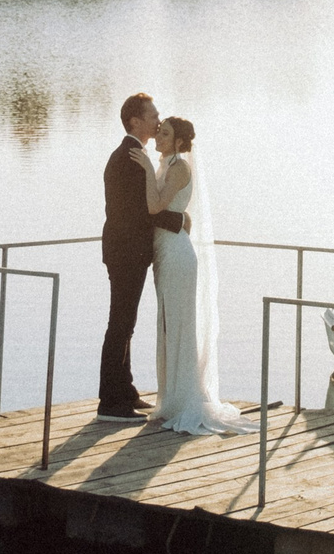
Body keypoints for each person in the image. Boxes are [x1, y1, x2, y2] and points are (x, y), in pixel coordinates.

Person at [146, 116, 247, 435]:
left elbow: (156, 206)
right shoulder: (166, 164)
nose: (157, 137)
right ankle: (170, 397)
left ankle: (183, 399)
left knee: (178, 326)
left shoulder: (178, 167)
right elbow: (172, 210)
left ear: (179, 142)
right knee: (167, 325)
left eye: (164, 134)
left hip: (176, 255)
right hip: (164, 252)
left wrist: (147, 171)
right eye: (159, 131)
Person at [96, 92, 187, 420]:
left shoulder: (133, 154)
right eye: (153, 116)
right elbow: (140, 210)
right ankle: (110, 401)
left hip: (125, 248)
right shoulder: (132, 157)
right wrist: (178, 220)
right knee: (120, 323)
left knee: (126, 322)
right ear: (135, 121)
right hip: (126, 250)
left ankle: (125, 390)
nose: (158, 121)